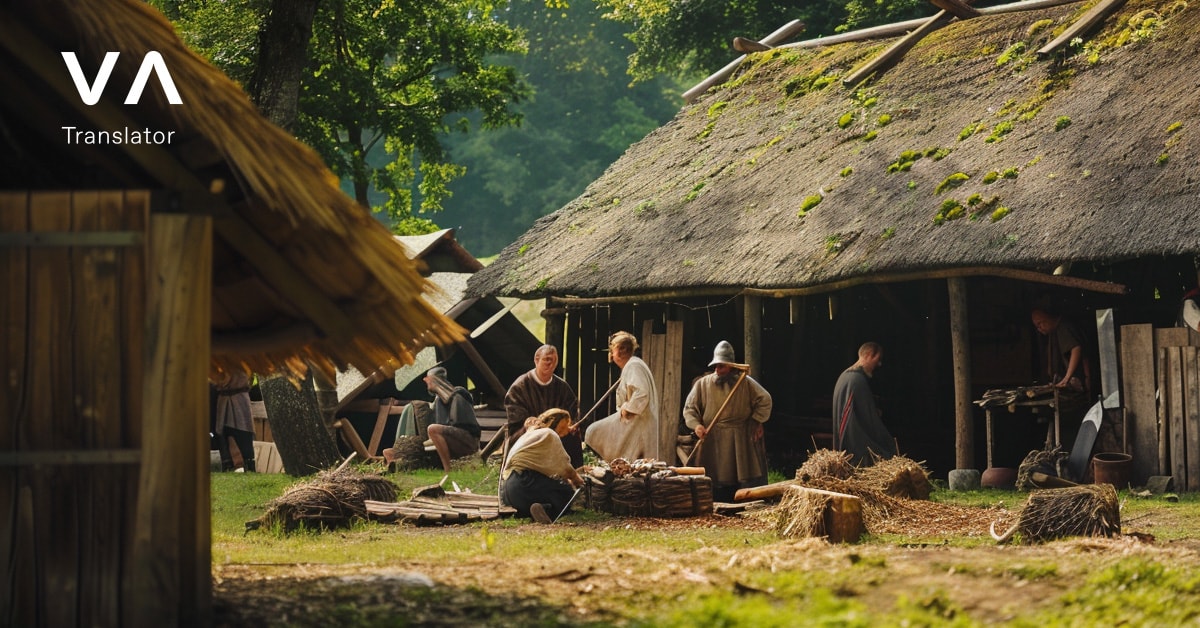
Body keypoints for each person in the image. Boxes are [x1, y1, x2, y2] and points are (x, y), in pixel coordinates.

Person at [682, 341, 773, 502]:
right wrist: (697, 426)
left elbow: (765, 400)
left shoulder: (744, 382)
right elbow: (689, 409)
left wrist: (756, 421)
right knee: (714, 474)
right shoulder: (702, 384)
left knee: (739, 474)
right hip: (713, 435)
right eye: (716, 366)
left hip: (739, 435)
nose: (717, 370)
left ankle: (740, 500)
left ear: (730, 366)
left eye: (722, 366)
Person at [584, 331, 660, 462]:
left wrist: (627, 410)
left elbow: (642, 393)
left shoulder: (634, 366)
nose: (611, 355)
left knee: (593, 432)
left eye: (612, 350)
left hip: (637, 422)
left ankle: (601, 466)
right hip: (636, 422)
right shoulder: (632, 365)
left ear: (619, 351)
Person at [504, 344, 582, 467]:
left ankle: (575, 474)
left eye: (554, 361)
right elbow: (516, 420)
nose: (550, 364)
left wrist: (571, 425)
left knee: (573, 437)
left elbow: (572, 412)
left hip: (558, 434)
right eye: (547, 359)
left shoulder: (562, 387)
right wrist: (536, 426)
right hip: (528, 433)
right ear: (536, 360)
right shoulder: (519, 387)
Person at [501, 408, 584, 524]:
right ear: (552, 422)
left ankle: (530, 510)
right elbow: (565, 467)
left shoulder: (529, 436)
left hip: (508, 491)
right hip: (524, 482)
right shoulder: (549, 434)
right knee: (567, 492)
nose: (567, 431)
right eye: (563, 427)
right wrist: (577, 480)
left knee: (549, 488)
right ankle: (547, 510)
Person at [832, 342, 896, 466]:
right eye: (877, 359)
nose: (879, 364)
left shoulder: (845, 376)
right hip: (854, 448)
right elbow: (866, 420)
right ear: (868, 355)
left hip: (844, 444)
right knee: (887, 450)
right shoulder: (856, 380)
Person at [423, 366, 482, 473]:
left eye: (429, 380)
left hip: (469, 440)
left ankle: (448, 470)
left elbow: (460, 424)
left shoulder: (458, 394)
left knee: (433, 429)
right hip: (455, 436)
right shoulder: (438, 400)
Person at [1031, 308, 1092, 396]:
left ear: (1048, 317)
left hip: (1079, 381)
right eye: (1037, 326)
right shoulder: (1054, 331)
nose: (1039, 328)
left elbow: (1076, 348)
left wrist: (1067, 378)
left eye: (1040, 323)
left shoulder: (1064, 326)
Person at [214, 369, 255, 472]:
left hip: (238, 400)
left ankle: (247, 464)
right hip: (226, 400)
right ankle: (229, 464)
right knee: (225, 435)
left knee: (243, 435)